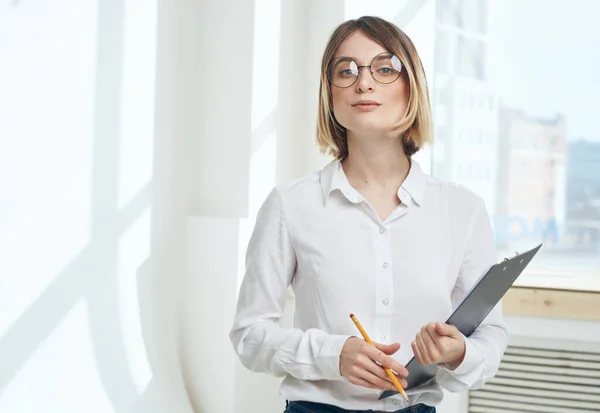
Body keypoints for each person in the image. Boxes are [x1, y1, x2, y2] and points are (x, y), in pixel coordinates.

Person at [230, 15, 507, 413]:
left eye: (385, 67)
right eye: (346, 70)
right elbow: (249, 335)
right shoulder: (290, 205)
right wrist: (333, 354)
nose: (363, 82)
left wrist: (458, 352)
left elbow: (491, 336)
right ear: (330, 93)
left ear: (412, 84)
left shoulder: (463, 210)